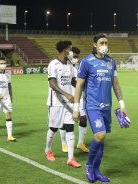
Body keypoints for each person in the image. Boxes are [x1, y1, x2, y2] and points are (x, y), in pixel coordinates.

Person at [72, 33, 130, 182]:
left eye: (106, 42)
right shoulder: (87, 62)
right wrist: (76, 108)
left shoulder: (111, 62)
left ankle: (97, 170)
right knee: (100, 135)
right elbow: (79, 85)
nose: (104, 45)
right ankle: (89, 165)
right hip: (92, 106)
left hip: (107, 106)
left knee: (102, 139)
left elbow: (115, 84)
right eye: (101, 43)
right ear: (95, 45)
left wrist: (122, 105)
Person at [45, 40, 81, 168]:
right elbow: (52, 84)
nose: (72, 52)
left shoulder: (70, 65)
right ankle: (48, 149)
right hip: (56, 103)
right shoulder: (53, 64)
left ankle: (71, 158)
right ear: (65, 50)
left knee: (70, 129)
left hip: (69, 103)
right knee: (53, 128)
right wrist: (66, 94)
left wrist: (82, 88)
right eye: (70, 49)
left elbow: (73, 82)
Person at [59, 46, 89, 153]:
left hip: (78, 96)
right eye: (74, 56)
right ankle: (64, 144)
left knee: (83, 117)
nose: (76, 58)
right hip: (67, 96)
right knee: (65, 121)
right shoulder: (63, 65)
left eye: (77, 56)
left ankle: (80, 143)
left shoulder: (79, 65)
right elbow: (71, 81)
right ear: (70, 55)